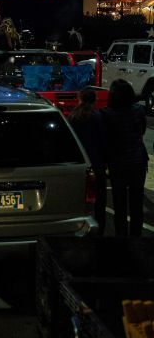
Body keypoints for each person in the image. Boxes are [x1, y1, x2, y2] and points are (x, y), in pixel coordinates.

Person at [100, 79, 148, 237]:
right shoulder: (138, 110)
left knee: (119, 204)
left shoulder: (106, 114)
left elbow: (105, 139)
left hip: (118, 162)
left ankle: (121, 238)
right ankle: (137, 237)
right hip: (138, 160)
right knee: (137, 202)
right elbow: (141, 131)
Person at [68, 87, 108, 236]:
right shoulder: (97, 117)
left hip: (80, 164)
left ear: (80, 99)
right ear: (94, 100)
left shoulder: (73, 117)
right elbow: (103, 142)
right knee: (99, 203)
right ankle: (99, 232)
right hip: (96, 163)